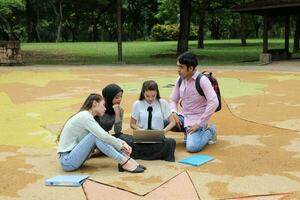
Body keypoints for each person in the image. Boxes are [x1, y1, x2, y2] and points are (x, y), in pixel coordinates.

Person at [57, 93, 145, 173]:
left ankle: (127, 160)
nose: (105, 108)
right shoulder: (85, 116)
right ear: (95, 103)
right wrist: (121, 144)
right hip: (68, 161)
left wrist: (121, 142)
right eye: (103, 105)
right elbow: (103, 136)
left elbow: (104, 135)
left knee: (99, 135)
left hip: (71, 159)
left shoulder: (86, 116)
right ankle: (124, 162)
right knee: (96, 136)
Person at [96, 83, 176, 162]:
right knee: (120, 138)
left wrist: (162, 132)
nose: (151, 99)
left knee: (171, 142)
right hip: (97, 135)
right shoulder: (99, 109)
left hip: (157, 136)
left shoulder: (162, 103)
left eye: (153, 96)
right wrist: (141, 130)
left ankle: (129, 151)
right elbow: (131, 125)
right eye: (147, 96)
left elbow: (117, 130)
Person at [169, 51, 219, 153]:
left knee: (192, 147)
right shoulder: (180, 79)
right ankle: (188, 133)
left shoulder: (202, 80)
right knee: (163, 122)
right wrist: (173, 112)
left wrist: (199, 123)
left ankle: (210, 131)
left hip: (197, 120)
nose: (178, 70)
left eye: (181, 67)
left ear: (191, 68)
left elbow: (214, 102)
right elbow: (173, 100)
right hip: (184, 117)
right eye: (178, 66)